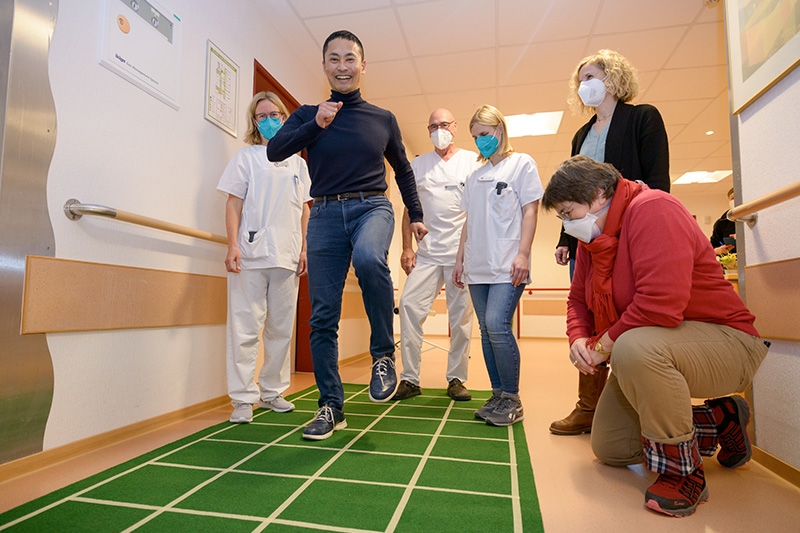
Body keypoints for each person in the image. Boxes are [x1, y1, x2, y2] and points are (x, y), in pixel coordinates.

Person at [542, 155, 768, 517]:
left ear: (599, 194)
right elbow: (577, 300)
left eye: (569, 212)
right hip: (663, 344)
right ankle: (722, 420)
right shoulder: (592, 241)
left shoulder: (653, 209)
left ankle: (682, 472)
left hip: (729, 342)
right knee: (611, 447)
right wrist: (577, 340)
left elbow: (660, 306)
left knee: (632, 346)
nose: (569, 225)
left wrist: (600, 347)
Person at [267, 30, 427, 440]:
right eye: (334, 59)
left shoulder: (382, 119)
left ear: (362, 65)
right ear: (324, 66)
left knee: (371, 260)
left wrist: (417, 216)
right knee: (322, 316)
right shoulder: (307, 114)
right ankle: (330, 406)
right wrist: (315, 126)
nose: (342, 66)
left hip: (372, 205)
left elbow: (405, 171)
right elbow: (275, 150)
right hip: (322, 213)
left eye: (349, 59)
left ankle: (383, 356)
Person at [551, 49, 671, 436]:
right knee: (587, 306)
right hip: (588, 239)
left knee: (629, 312)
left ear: (613, 78)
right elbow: (571, 194)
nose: (585, 85)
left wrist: (644, 228)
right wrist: (565, 236)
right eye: (581, 80)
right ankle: (588, 406)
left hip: (630, 231)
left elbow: (657, 180)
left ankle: (634, 403)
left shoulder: (642, 118)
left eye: (592, 76)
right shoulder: (581, 134)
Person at [217, 91, 311, 424]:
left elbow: (304, 208)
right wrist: (232, 245)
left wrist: (303, 248)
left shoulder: (299, 162)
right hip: (251, 254)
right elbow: (233, 204)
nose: (270, 120)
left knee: (281, 329)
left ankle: (272, 392)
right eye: (262, 116)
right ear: (254, 124)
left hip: (286, 255)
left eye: (276, 114)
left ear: (286, 119)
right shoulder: (246, 158)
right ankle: (243, 398)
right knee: (244, 328)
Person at [453, 105, 542, 427]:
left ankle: (513, 398)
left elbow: (531, 211)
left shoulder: (521, 164)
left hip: (508, 263)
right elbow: (468, 222)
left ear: (500, 131)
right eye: (475, 137)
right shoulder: (474, 176)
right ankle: (497, 394)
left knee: (497, 324)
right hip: (477, 264)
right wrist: (460, 259)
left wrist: (524, 254)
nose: (480, 142)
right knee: (487, 332)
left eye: (485, 135)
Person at [395, 108, 480, 402]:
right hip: (427, 253)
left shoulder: (472, 161)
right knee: (408, 306)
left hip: (461, 255)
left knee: (460, 319)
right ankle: (410, 378)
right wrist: (407, 247)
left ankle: (457, 378)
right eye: (432, 126)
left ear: (455, 127)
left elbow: (478, 210)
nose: (438, 129)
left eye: (443, 124)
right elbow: (408, 209)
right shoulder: (418, 165)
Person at [711, 187, 737, 255]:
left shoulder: (752, 218)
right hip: (730, 263)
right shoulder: (722, 222)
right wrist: (719, 250)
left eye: (738, 198)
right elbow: (712, 246)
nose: (735, 201)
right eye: (732, 198)